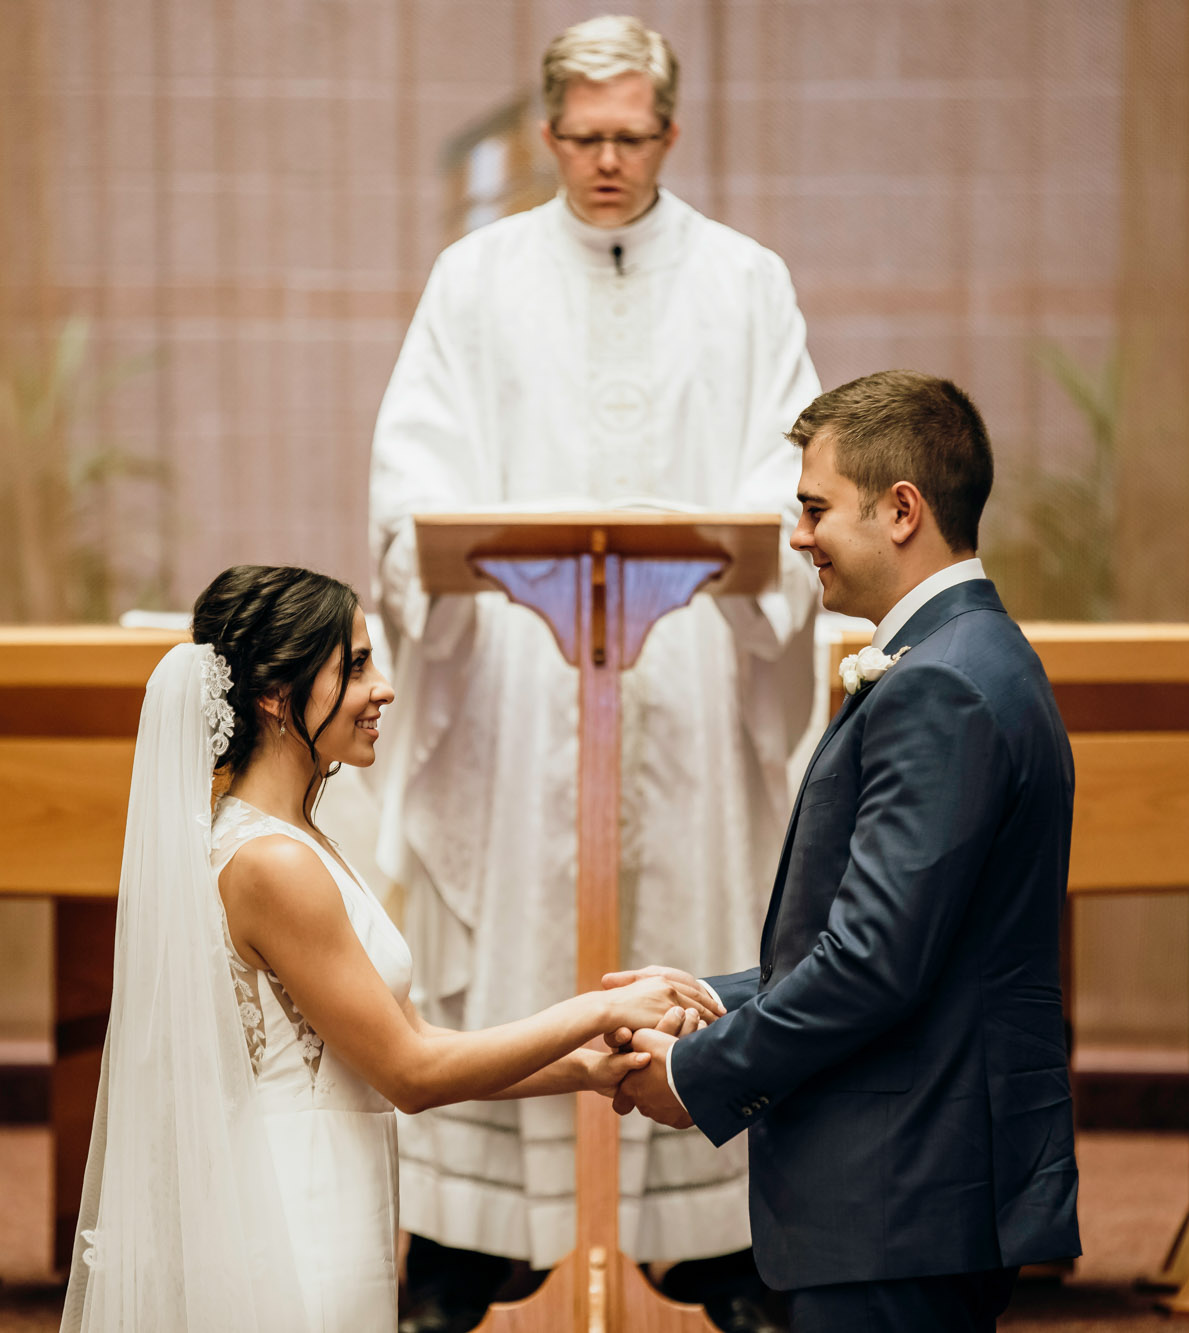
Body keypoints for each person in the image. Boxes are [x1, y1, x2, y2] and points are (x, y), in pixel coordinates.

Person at [368, 15, 818, 1332]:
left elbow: (784, 477)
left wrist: (730, 557)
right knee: (514, 949)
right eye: (584, 138)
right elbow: (418, 474)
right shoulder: (478, 278)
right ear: (547, 134)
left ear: (670, 134)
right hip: (522, 680)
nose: (609, 161)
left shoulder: (745, 282)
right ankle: (470, 1245)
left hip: (682, 674)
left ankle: (717, 1251)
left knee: (693, 932)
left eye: (633, 138)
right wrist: (453, 548)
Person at [58, 564, 719, 1333]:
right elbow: (410, 1073)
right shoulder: (273, 864)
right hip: (292, 1213)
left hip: (332, 1185)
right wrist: (601, 1005)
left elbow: (411, 1039)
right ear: (277, 695)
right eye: (357, 665)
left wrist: (580, 1066)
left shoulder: (300, 840)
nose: (384, 689)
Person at [611, 371, 1083, 1332]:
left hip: (898, 1183)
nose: (797, 535)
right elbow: (909, 942)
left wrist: (698, 1072)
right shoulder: (973, 655)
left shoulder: (940, 686)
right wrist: (705, 998)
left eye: (815, 507)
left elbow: (872, 963)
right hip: (924, 1176)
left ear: (901, 509)